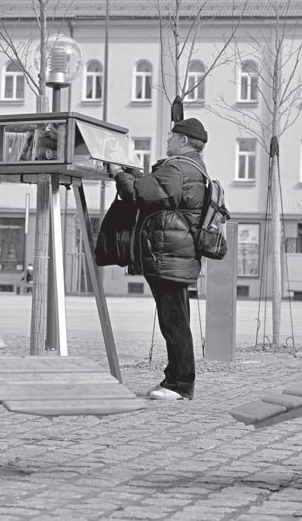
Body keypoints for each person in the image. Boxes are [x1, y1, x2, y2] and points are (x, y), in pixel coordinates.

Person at [113, 118, 209, 401]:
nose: (167, 140)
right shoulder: (190, 168)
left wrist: (120, 174)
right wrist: (133, 173)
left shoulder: (177, 167)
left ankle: (180, 385)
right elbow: (154, 189)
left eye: (171, 136)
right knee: (175, 318)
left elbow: (140, 194)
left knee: (174, 320)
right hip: (175, 254)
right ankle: (174, 377)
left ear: (183, 140)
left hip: (170, 255)